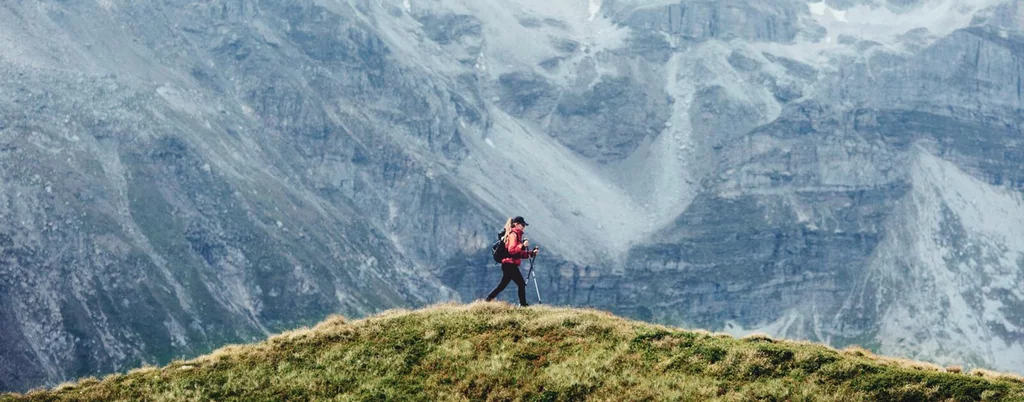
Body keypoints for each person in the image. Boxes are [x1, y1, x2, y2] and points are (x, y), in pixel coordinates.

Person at [485, 216, 539, 306]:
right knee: (521, 284)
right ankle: (523, 304)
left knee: (502, 285)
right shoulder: (513, 235)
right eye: (522, 225)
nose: (523, 227)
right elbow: (512, 250)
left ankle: (487, 300)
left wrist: (531, 253)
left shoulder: (515, 235)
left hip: (508, 264)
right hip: (510, 264)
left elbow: (518, 254)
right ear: (516, 224)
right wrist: (522, 246)